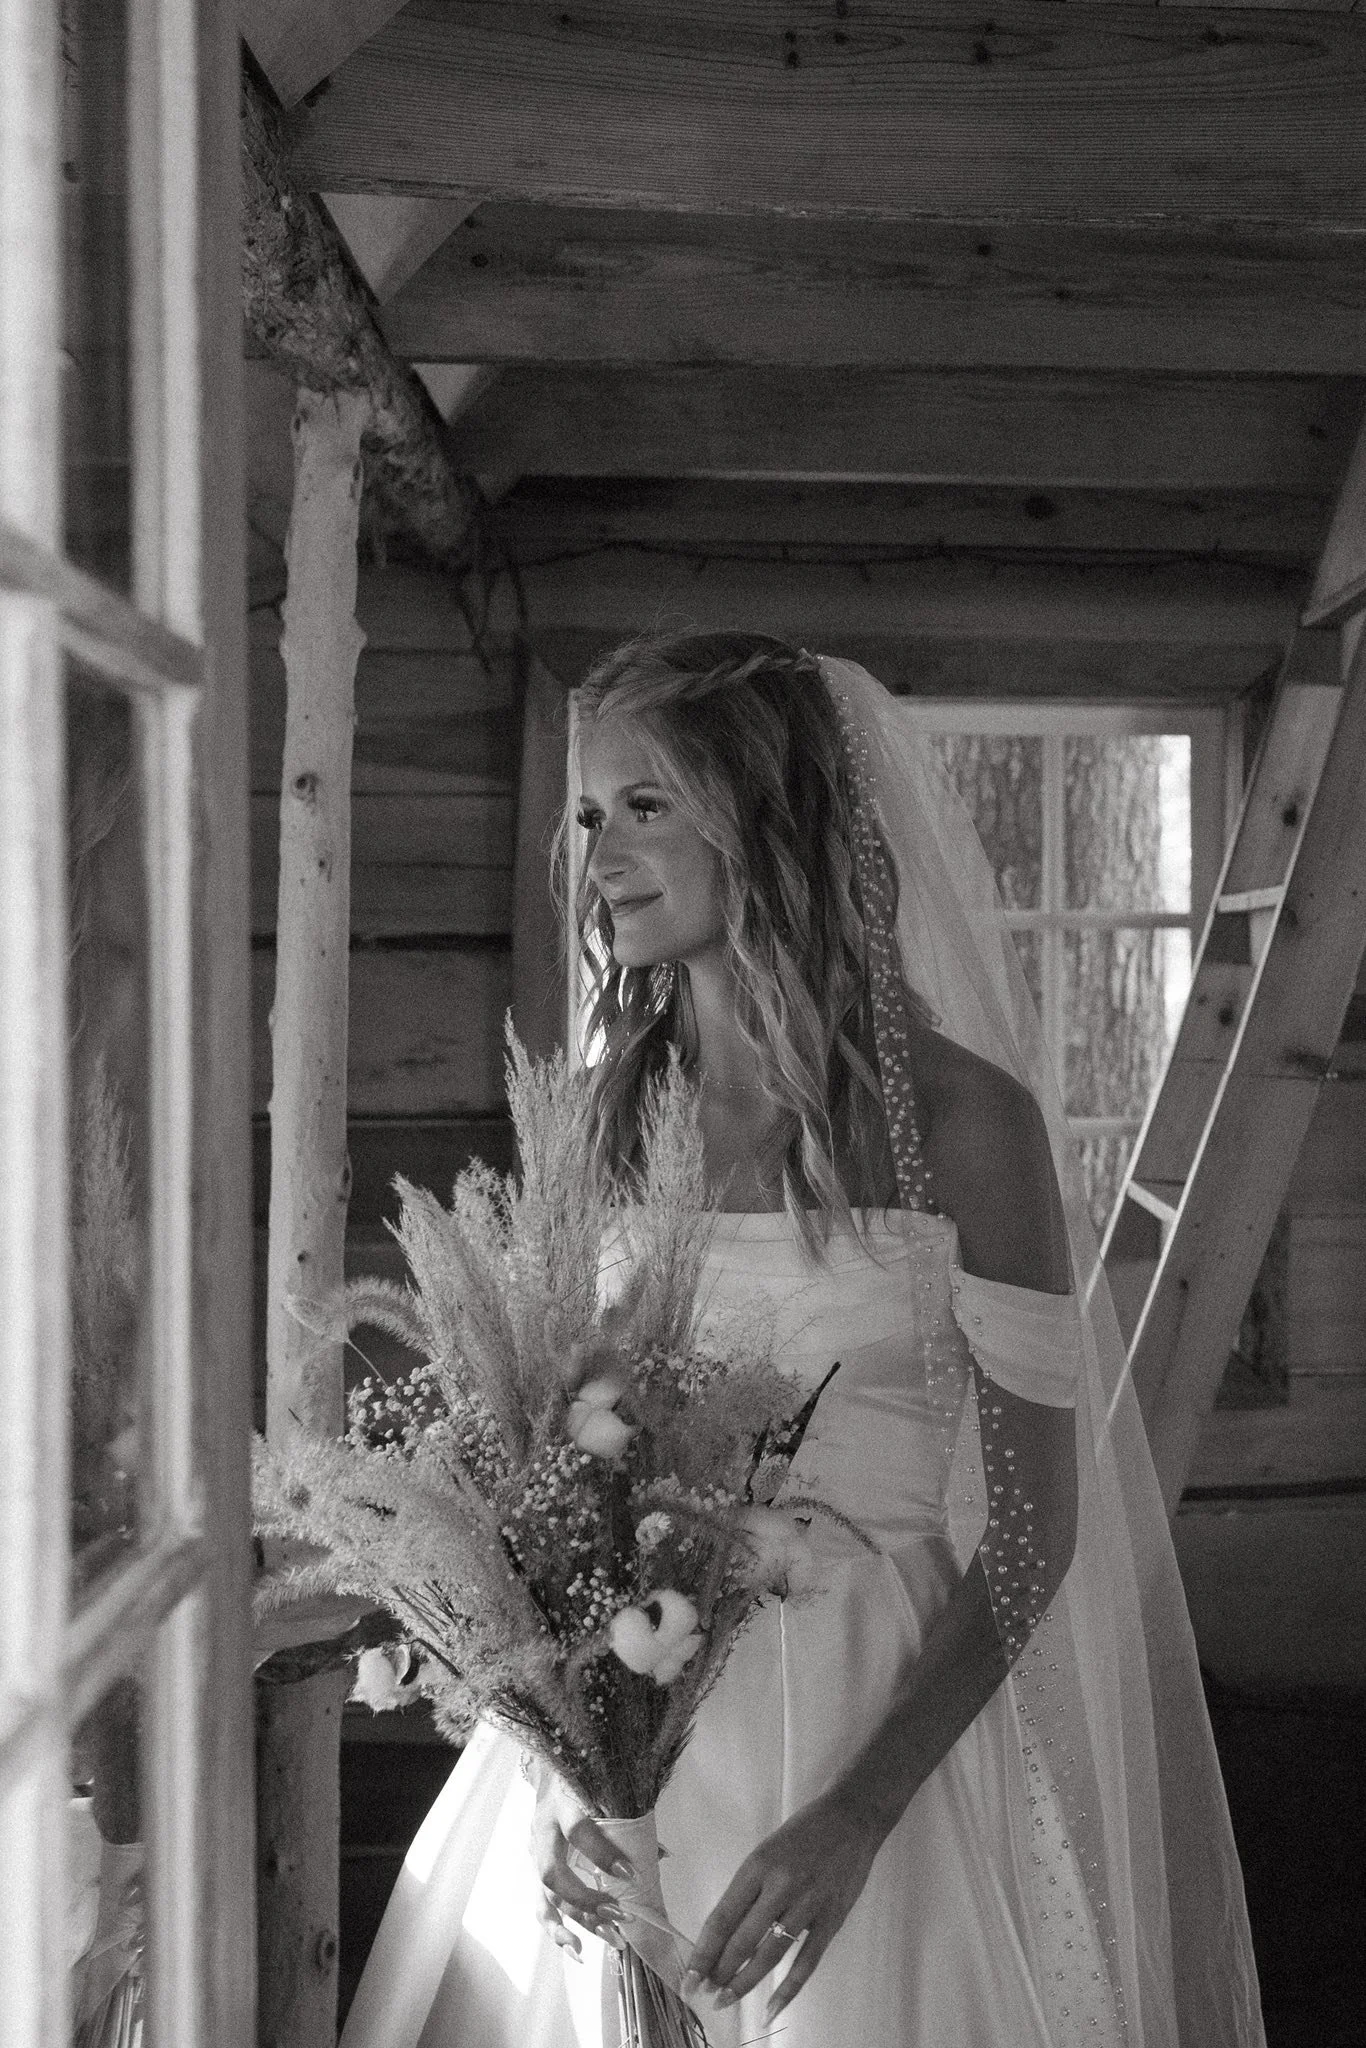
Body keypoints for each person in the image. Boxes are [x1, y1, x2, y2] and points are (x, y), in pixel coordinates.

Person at [340, 634, 1265, 2048]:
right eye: (590, 815)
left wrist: (854, 1820)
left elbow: (1028, 1534)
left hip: (872, 1739)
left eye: (647, 807)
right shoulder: (591, 1122)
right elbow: (534, 1484)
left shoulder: (962, 1124)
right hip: (622, 1736)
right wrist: (559, 1777)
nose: (601, 854)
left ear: (769, 819)